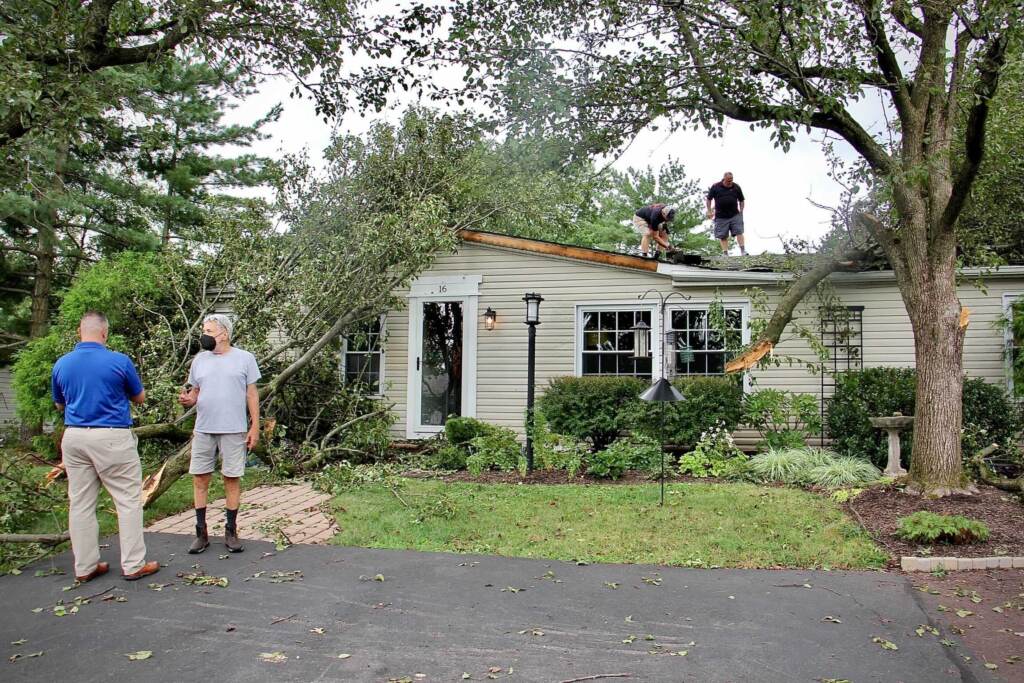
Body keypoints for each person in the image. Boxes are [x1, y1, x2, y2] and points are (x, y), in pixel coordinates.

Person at [51, 312, 160, 582]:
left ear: (80, 332)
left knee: (80, 503)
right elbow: (140, 397)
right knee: (127, 500)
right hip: (111, 435)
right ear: (105, 333)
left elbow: (59, 404)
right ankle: (134, 564)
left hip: (75, 437)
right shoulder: (119, 361)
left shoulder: (62, 364)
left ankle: (85, 567)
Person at [178, 314, 261, 554]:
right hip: (204, 428)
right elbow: (194, 392)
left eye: (209, 331)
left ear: (224, 334)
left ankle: (231, 531)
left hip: (234, 429)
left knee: (231, 478)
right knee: (200, 478)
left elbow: (252, 394)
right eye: (203, 330)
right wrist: (187, 399)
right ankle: (201, 532)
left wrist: (254, 426)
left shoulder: (244, 359)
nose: (204, 335)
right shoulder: (200, 360)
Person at [706, 172, 747, 255]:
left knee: (739, 231)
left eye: (731, 180)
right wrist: (709, 210)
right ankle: (725, 253)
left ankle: (743, 251)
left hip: (735, 214)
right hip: (721, 216)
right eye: (728, 180)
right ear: (724, 178)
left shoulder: (736, 187)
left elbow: (741, 200)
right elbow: (709, 199)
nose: (730, 182)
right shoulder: (716, 186)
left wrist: (741, 211)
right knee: (723, 235)